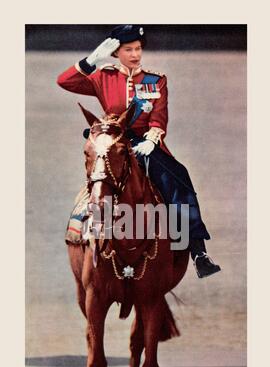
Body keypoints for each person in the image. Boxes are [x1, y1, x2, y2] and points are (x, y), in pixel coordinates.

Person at [57, 24, 221, 278]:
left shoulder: (156, 79)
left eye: (138, 49)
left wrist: (153, 140)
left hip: (146, 144)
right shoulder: (104, 76)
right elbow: (64, 81)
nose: (135, 55)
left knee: (179, 179)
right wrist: (92, 60)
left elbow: (159, 117)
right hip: (113, 142)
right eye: (128, 49)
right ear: (115, 53)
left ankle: (197, 251)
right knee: (98, 183)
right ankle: (85, 232)